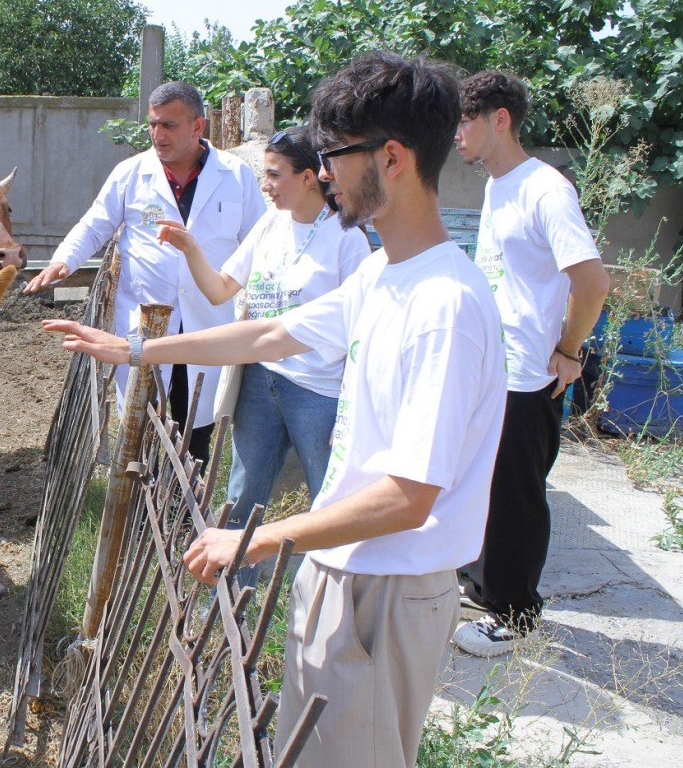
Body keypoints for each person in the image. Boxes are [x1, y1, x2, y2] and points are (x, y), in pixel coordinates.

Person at [42, 51, 507, 768]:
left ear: (390, 158)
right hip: (344, 568)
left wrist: (256, 540)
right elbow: (268, 331)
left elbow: (409, 496)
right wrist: (137, 352)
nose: (324, 174)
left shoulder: (444, 305)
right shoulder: (387, 273)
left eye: (334, 156)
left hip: (387, 585)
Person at [155, 126, 370, 572]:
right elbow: (219, 290)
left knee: (329, 497)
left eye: (274, 175)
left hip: (320, 390)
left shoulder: (348, 240)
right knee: (243, 494)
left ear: (310, 176)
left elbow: (360, 332)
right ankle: (232, 596)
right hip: (260, 380)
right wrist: (191, 248)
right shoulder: (269, 225)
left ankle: (333, 594)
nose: (265, 186)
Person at [22, 81, 266, 467]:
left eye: (168, 125)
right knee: (143, 428)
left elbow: (260, 243)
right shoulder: (131, 173)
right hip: (147, 322)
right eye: (152, 125)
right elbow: (94, 225)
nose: (157, 135)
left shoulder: (236, 177)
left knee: (195, 428)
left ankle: (184, 515)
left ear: (198, 127)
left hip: (207, 323)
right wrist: (63, 259)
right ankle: (142, 507)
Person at [452, 71, 610, 658]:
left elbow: (592, 282)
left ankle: (515, 616)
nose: (457, 134)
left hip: (527, 375)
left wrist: (568, 352)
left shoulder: (546, 189)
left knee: (517, 495)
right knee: (484, 487)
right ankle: (485, 590)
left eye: (465, 121)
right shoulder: (498, 186)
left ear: (500, 119)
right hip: (492, 366)